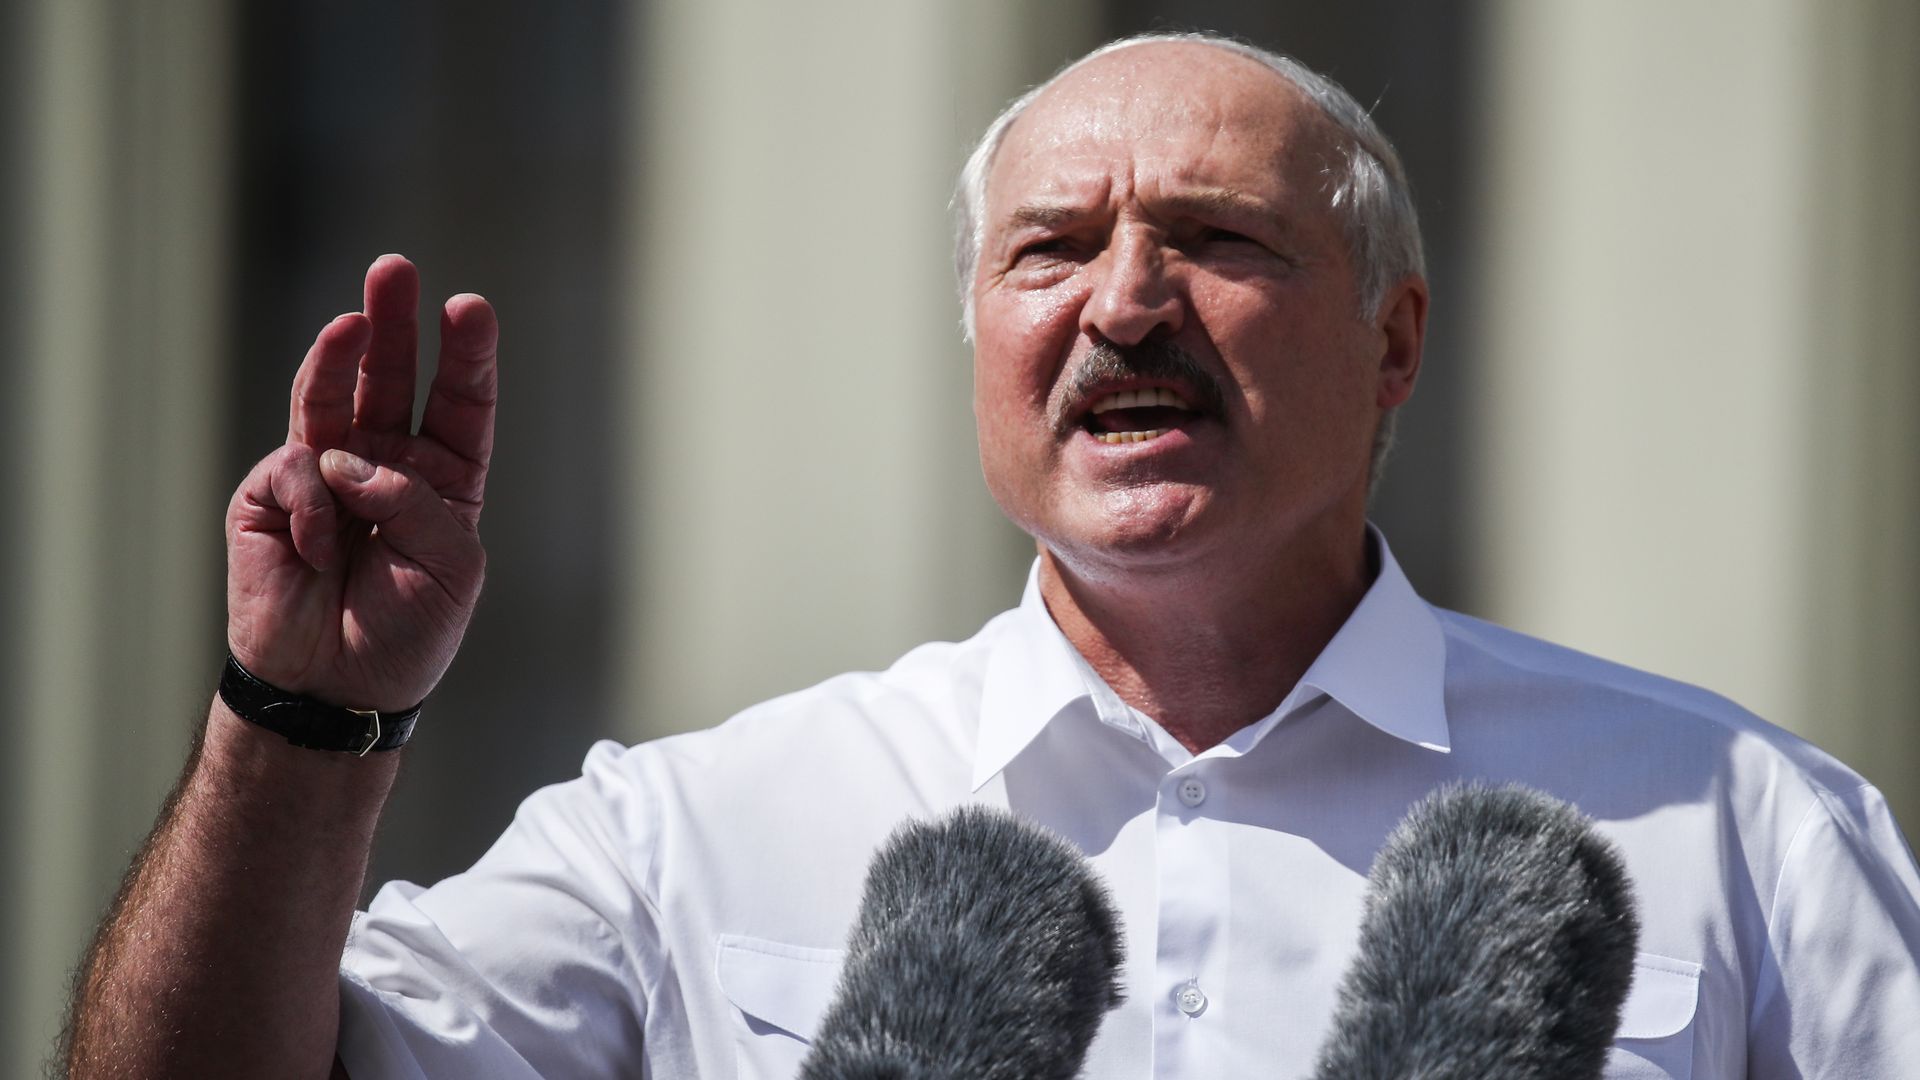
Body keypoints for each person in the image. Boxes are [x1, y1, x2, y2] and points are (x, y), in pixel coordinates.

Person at [63, 31, 1920, 1080]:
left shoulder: (1739, 826)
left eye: (1218, 239)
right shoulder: (696, 835)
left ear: (1394, 343)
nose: (1126, 299)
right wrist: (294, 723)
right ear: (980, 345)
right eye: (1050, 251)